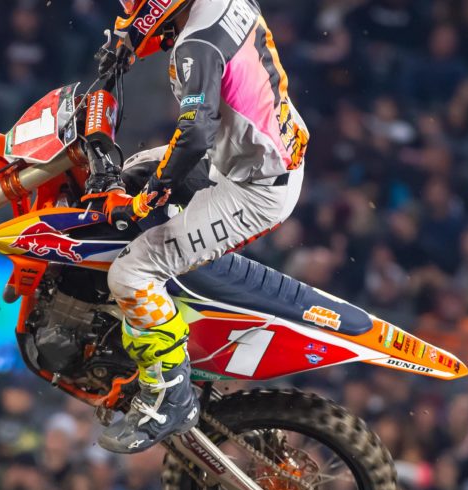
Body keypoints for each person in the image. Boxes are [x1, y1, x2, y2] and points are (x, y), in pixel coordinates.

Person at [88, 0, 309, 453]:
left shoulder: (197, 46)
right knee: (130, 173)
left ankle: (171, 396)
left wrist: (153, 195)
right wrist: (129, 39)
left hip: (253, 188)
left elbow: (193, 136)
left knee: (130, 273)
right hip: (253, 155)